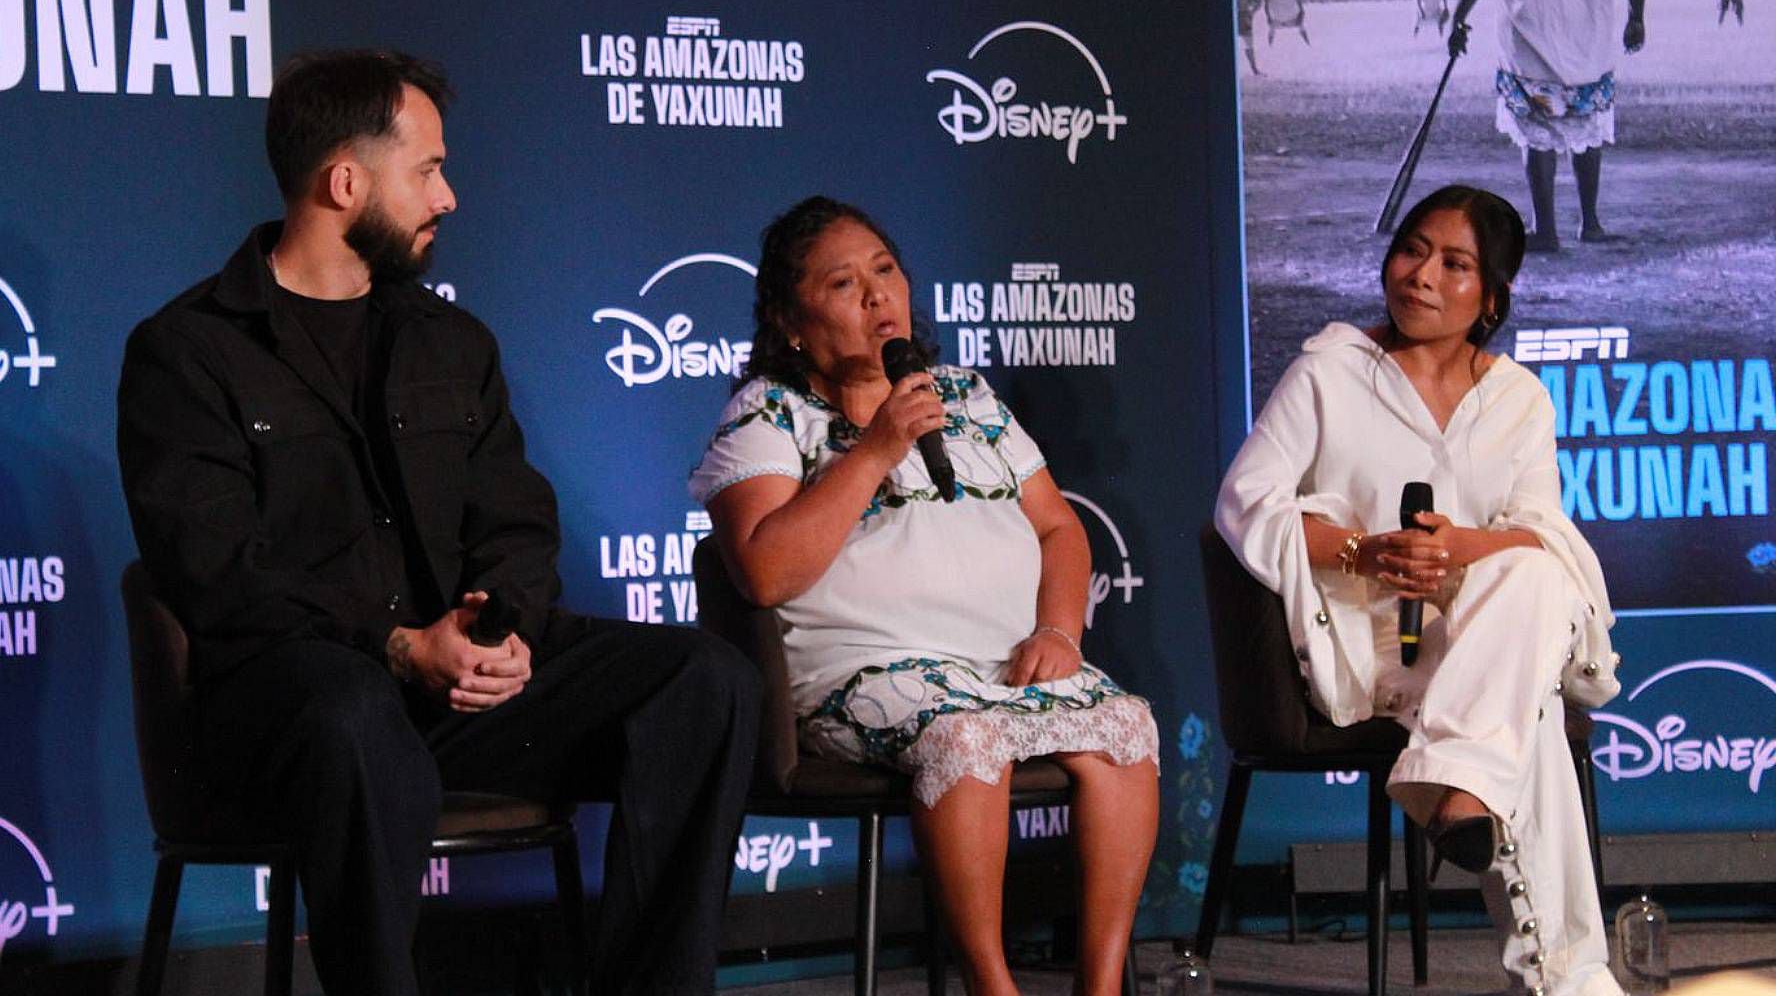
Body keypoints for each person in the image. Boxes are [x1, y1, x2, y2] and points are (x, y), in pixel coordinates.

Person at [116, 50, 758, 996]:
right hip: (288, 717)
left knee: (707, 678)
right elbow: (214, 572)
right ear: (345, 182)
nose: (448, 196)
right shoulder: (186, 352)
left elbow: (517, 522)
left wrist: (500, 627)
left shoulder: (450, 341)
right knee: (353, 709)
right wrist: (393, 645)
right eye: (427, 170)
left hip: (446, 696)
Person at [689, 196, 1159, 996]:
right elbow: (763, 571)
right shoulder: (770, 415)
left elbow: (1058, 530)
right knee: (966, 740)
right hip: (862, 671)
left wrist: (1060, 630)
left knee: (1125, 729)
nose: (877, 297)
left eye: (885, 271)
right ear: (790, 320)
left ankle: (1102, 982)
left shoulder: (967, 398)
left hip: (1002, 659)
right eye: (844, 283)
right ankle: (991, 985)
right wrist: (876, 449)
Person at [1215, 186, 1623, 995]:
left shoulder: (1518, 400)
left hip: (1483, 644)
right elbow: (1243, 504)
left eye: (1454, 263)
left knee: (1534, 574)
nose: (1420, 274)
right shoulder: (1332, 371)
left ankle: (1464, 787)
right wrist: (1368, 551)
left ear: (1491, 297)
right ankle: (1565, 969)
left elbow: (1541, 530)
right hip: (1369, 642)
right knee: (1524, 703)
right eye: (1411, 248)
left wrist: (1461, 547)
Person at [1449, 0, 1647, 251]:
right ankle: (1590, 223)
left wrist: (1459, 19)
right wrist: (1636, 16)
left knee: (1537, 130)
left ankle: (1546, 230)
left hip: (1532, 30)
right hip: (1587, 36)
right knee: (1585, 121)